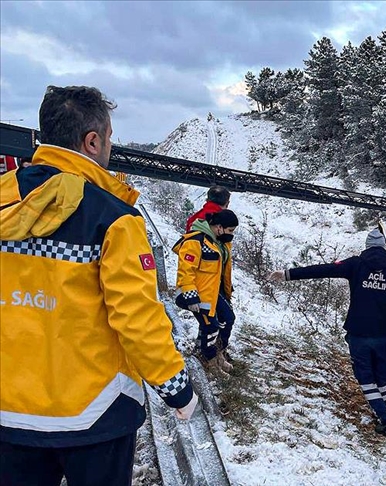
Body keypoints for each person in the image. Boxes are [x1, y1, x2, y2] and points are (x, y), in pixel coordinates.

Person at [0, 85, 196, 486]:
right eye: (109, 137)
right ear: (92, 141)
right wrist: (176, 389)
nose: (109, 145)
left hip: (8, 413)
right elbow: (136, 317)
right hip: (96, 414)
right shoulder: (115, 218)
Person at [269, 229, 386, 436]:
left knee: (364, 375)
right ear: (384, 248)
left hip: (358, 331)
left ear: (367, 246)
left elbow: (324, 269)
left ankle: (385, 419)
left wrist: (288, 274)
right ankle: (381, 410)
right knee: (382, 374)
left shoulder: (356, 264)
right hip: (383, 332)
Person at [174, 209, 238, 374]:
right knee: (211, 327)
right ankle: (209, 360)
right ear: (219, 227)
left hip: (213, 292)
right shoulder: (195, 241)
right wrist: (191, 296)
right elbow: (185, 270)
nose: (231, 234)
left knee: (228, 319)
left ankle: (219, 353)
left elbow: (222, 270)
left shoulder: (220, 243)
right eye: (230, 230)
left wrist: (227, 290)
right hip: (197, 295)